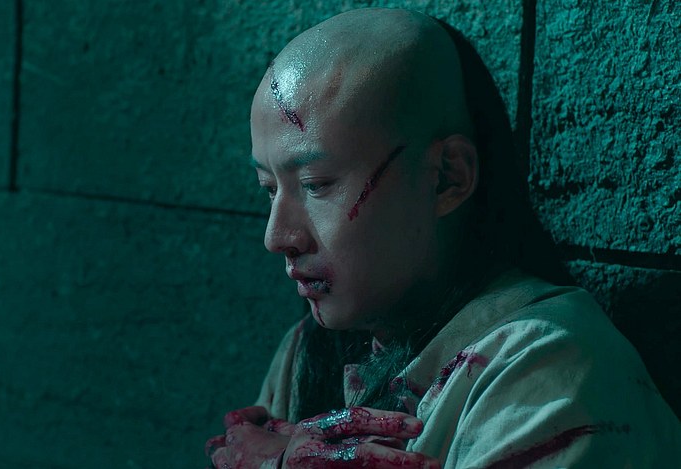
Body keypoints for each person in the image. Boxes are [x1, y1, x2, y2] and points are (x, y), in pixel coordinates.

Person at [206, 7, 680, 468]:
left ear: (447, 177)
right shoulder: (311, 349)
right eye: (269, 188)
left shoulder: (550, 371)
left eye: (315, 185)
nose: (277, 237)